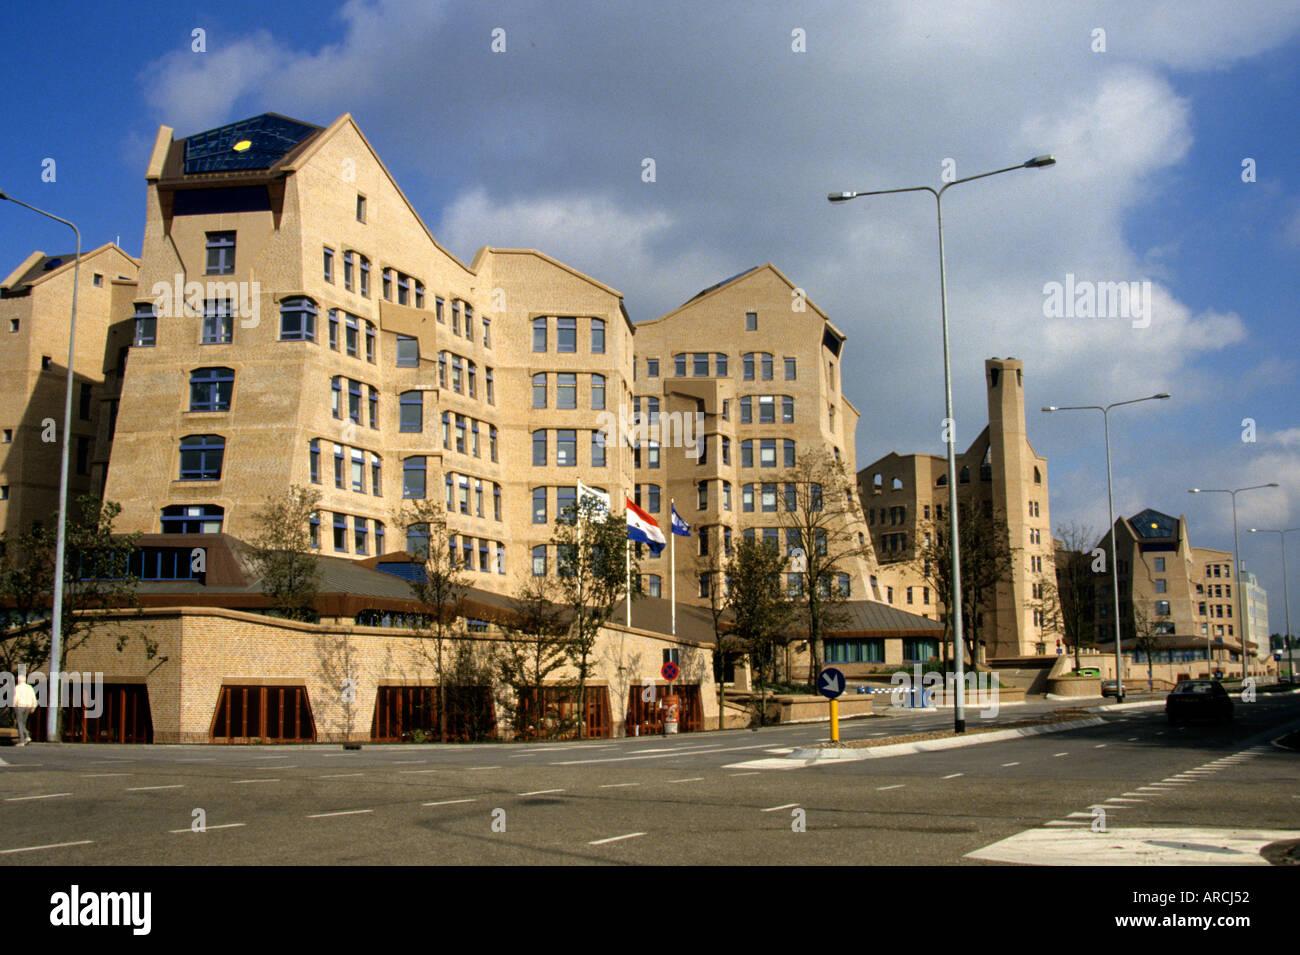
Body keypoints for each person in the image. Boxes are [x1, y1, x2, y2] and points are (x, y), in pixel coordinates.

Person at [13, 671, 37, 746]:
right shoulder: (29, 687)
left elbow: (15, 697)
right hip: (28, 707)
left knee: (20, 723)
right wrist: (33, 707)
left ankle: (22, 740)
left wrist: (14, 705)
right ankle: (26, 737)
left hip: (20, 706)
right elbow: (33, 698)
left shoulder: (17, 687)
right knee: (23, 723)